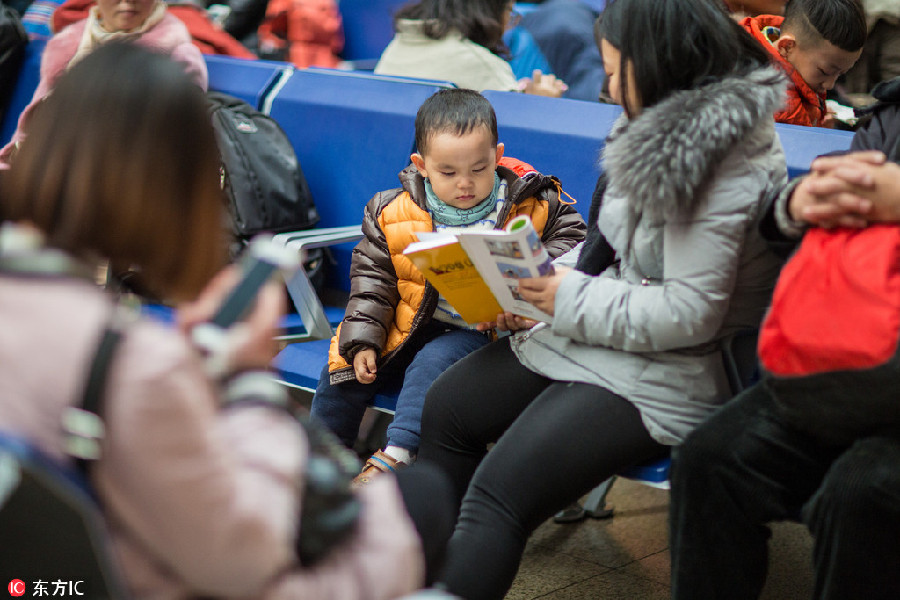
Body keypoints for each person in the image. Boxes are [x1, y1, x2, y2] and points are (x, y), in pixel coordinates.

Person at [0, 44, 455, 599]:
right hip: (150, 574)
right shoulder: (129, 364)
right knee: (425, 498)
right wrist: (244, 381)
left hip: (42, 578)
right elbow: (247, 561)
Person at [415, 0, 789, 597]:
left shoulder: (727, 160)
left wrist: (562, 297)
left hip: (669, 368)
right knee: (447, 408)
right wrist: (527, 288)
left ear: (659, 62)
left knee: (498, 495)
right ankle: (420, 571)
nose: (608, 87)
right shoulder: (650, 119)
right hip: (598, 328)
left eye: (616, 70)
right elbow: (609, 255)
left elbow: (690, 315)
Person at [668, 71, 900, 598]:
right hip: (846, 360)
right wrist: (799, 204)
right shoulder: (890, 113)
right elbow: (787, 223)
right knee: (711, 460)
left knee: (860, 494)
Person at [310, 87, 585, 485]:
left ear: (497, 153)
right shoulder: (392, 211)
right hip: (408, 324)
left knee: (433, 362)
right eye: (449, 172)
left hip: (482, 333)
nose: (466, 184)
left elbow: (576, 241)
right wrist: (363, 341)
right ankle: (320, 473)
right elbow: (373, 282)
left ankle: (398, 455)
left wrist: (533, 270)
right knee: (341, 373)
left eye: (479, 168)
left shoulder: (530, 202)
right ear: (421, 165)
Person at [0, 0, 208, 167]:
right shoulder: (67, 47)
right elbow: (32, 125)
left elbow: (178, 145)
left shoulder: (177, 57)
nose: (127, 2)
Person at [374, 0, 567, 97]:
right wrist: (540, 102)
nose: (510, 20)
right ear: (489, 11)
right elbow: (515, 140)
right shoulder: (481, 64)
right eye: (509, 10)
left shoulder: (398, 44)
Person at [740, 0, 867, 127]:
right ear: (787, 47)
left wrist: (816, 115)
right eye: (824, 72)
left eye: (840, 74)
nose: (830, 85)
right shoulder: (782, 106)